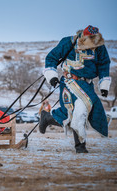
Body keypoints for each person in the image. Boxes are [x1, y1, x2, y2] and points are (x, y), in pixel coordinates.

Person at [40, 25, 111, 153]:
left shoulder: (99, 47)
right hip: (69, 82)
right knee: (74, 112)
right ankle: (80, 147)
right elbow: (52, 58)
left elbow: (104, 64)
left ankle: (48, 118)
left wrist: (104, 84)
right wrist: (52, 76)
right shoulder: (69, 42)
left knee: (80, 113)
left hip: (87, 85)